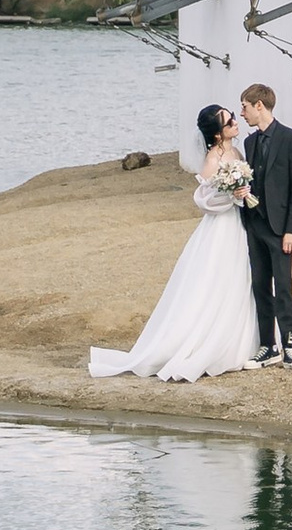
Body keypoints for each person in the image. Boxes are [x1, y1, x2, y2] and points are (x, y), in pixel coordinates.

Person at [87, 107, 262, 381]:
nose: (235, 121)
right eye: (229, 120)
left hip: (239, 224)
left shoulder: (237, 153)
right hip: (222, 227)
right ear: (218, 134)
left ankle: (243, 339)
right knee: (218, 279)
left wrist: (243, 194)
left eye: (232, 115)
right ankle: (207, 342)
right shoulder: (213, 159)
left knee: (241, 278)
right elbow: (204, 200)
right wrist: (232, 196)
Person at [238, 80, 292, 370]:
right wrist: (242, 194)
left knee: (284, 286)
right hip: (255, 225)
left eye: (245, 107)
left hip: (281, 228)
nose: (242, 113)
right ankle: (268, 346)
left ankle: (290, 345)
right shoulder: (249, 143)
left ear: (259, 105)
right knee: (259, 285)